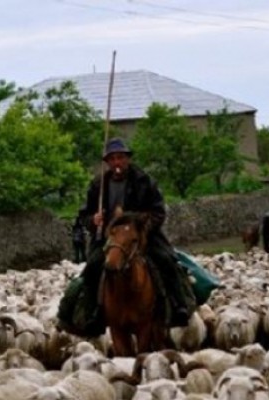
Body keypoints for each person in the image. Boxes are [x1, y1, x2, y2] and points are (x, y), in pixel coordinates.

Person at [78, 137, 196, 327]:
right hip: (110, 238)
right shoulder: (98, 186)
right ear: (107, 162)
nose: (117, 163)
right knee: (92, 267)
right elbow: (84, 215)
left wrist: (140, 227)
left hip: (143, 236)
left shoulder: (144, 181)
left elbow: (158, 212)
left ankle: (178, 305)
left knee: (167, 260)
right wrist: (93, 220)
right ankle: (93, 313)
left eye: (121, 158)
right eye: (113, 159)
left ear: (128, 159)